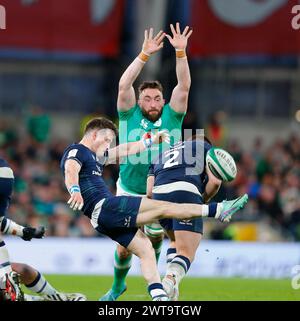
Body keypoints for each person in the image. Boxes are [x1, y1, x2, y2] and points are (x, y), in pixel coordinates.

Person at [60, 117, 248, 301]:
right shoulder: (78, 150)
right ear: (94, 135)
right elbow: (71, 169)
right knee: (164, 208)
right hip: (106, 206)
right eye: (107, 139)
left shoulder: (97, 156)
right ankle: (217, 210)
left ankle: (159, 299)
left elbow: (125, 149)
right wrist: (75, 189)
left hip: (101, 218)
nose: (110, 144)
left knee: (146, 250)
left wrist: (149, 141)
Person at [102, 22, 193, 301]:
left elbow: (184, 85)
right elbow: (123, 84)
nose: (152, 103)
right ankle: (118, 286)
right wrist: (144, 55)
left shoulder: (173, 115)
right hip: (128, 187)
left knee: (154, 240)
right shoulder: (129, 115)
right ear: (139, 101)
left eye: (156, 98)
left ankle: (156, 282)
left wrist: (180, 53)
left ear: (163, 100)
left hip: (162, 189)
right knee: (123, 248)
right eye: (147, 99)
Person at [147, 137, 234, 300]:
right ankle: (168, 282)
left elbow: (149, 192)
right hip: (185, 190)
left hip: (159, 195)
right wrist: (200, 203)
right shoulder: (205, 147)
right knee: (187, 251)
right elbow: (215, 182)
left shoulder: (161, 154)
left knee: (175, 241)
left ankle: (173, 290)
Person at [0, 157, 85, 301]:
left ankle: (56, 298)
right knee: (15, 277)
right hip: (5, 173)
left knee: (19, 273)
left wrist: (23, 231)